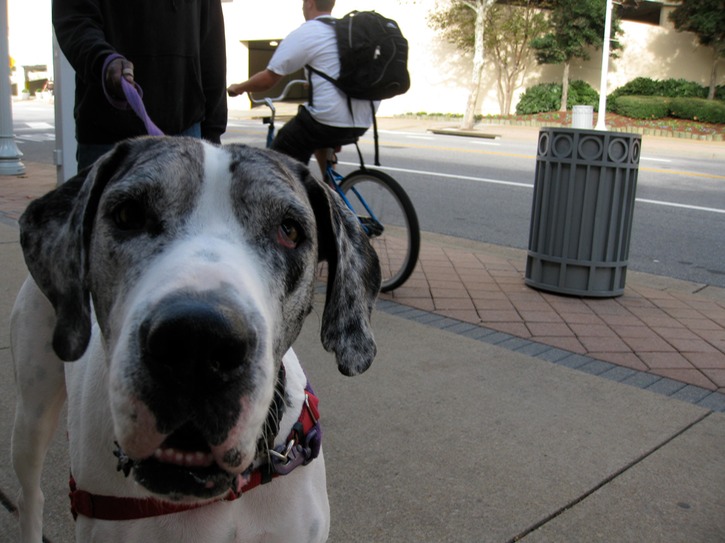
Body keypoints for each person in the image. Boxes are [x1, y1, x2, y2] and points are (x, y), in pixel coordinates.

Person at [53, 0, 228, 171]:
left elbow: (212, 45)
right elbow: (75, 19)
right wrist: (102, 60)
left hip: (187, 135)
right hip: (108, 140)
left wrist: (213, 134)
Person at [227, 0, 376, 174]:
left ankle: (291, 195)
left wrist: (239, 87)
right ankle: (333, 191)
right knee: (318, 135)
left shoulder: (309, 31)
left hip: (329, 119)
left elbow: (269, 79)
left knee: (280, 161)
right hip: (363, 119)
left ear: (310, 3)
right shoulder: (345, 32)